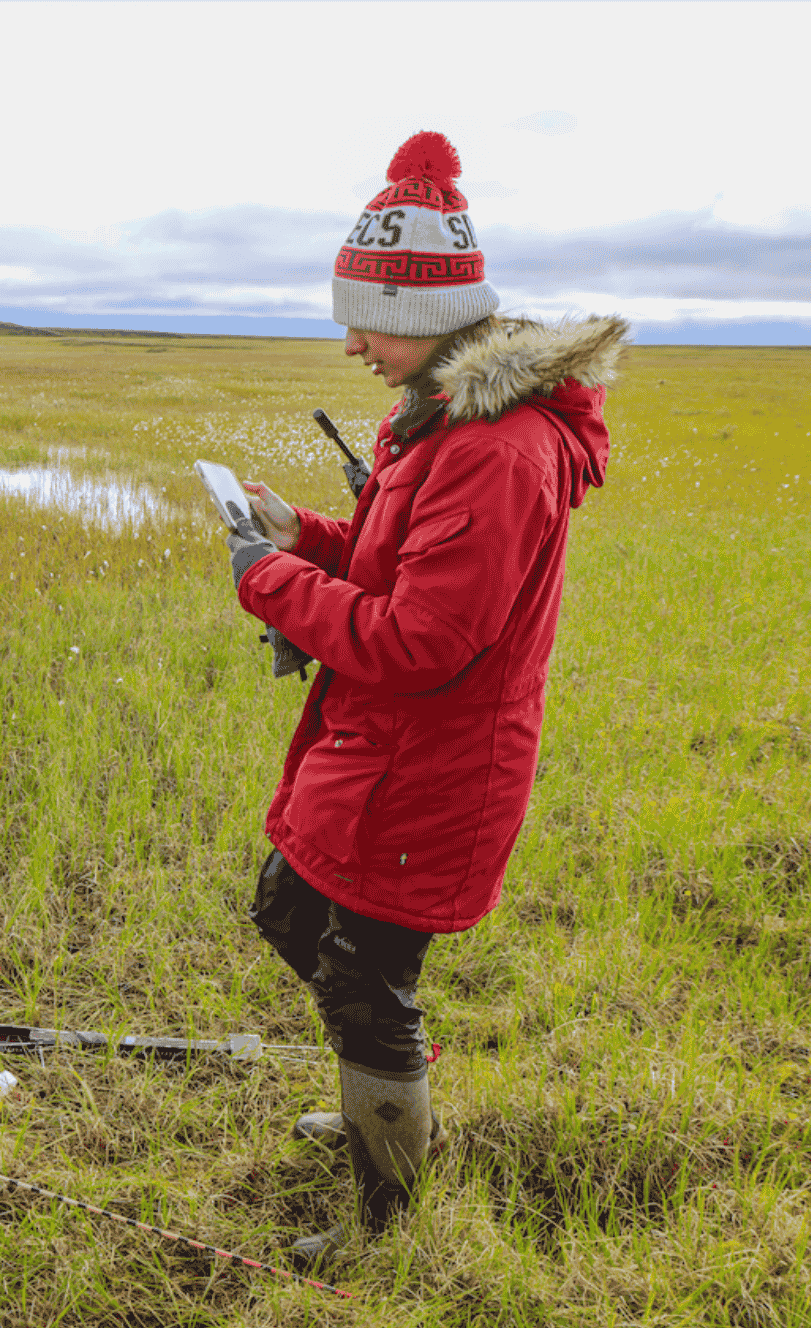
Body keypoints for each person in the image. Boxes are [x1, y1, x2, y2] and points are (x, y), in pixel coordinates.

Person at [221, 130, 628, 1262]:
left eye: (362, 314)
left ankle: (382, 1212)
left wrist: (270, 583)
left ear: (426, 309)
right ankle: (380, 1088)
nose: (347, 338)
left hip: (431, 764)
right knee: (289, 911)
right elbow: (395, 559)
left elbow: (418, 636)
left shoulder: (493, 448)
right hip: (387, 748)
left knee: (362, 971)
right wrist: (301, 534)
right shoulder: (443, 418)